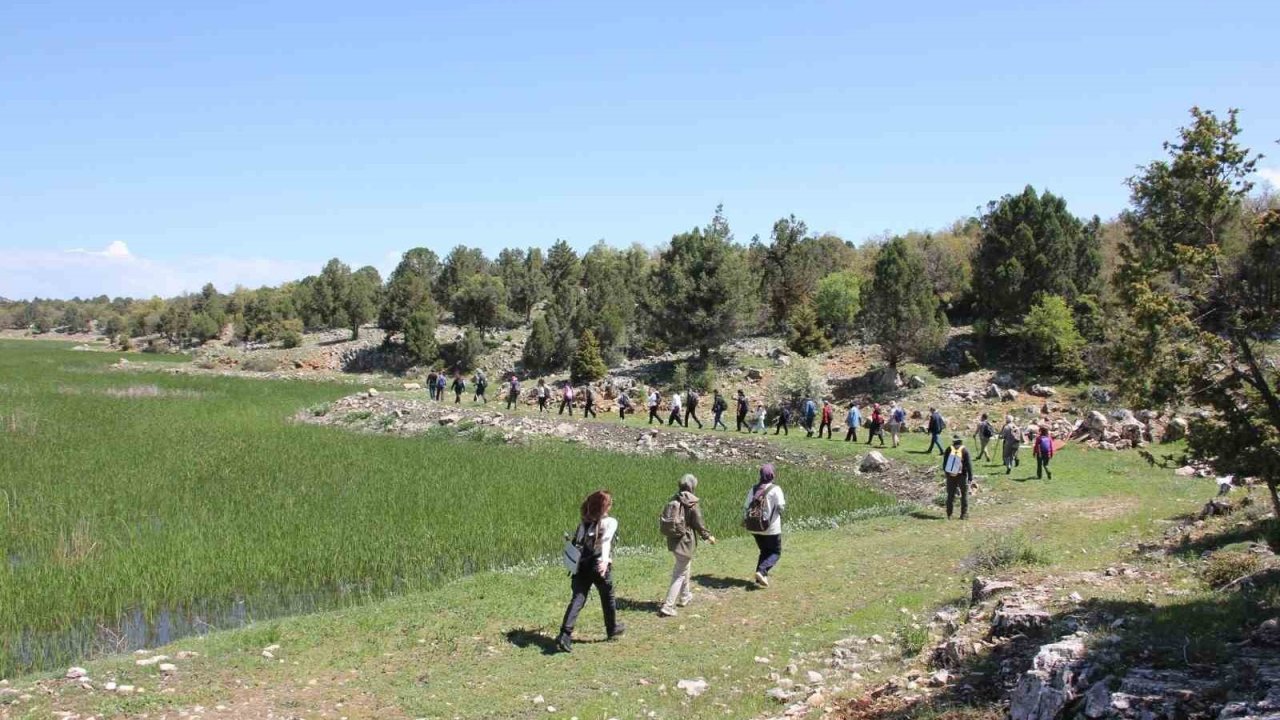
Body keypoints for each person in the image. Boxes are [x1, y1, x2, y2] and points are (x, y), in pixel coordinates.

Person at [556, 490, 624, 652]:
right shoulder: (610, 522)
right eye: (609, 503)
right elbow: (606, 541)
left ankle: (565, 634)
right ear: (604, 507)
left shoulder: (583, 524)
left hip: (581, 566)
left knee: (578, 598)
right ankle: (612, 628)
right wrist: (605, 561)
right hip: (597, 564)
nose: (611, 504)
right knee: (607, 596)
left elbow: (578, 543)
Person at [658, 474, 716, 617]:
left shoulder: (674, 498)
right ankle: (668, 605)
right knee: (679, 573)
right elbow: (698, 523)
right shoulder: (692, 502)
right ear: (692, 486)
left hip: (673, 540)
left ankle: (685, 596)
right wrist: (708, 536)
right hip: (685, 541)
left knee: (685, 566)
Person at [743, 464, 786, 587]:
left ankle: (760, 576)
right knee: (775, 552)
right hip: (771, 528)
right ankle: (762, 571)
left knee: (764, 551)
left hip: (755, 527)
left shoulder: (754, 489)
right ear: (772, 475)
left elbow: (746, 506)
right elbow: (781, 506)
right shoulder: (776, 489)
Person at [942, 434, 973, 520]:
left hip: (950, 476)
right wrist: (970, 476)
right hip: (962, 475)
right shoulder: (965, 450)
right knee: (964, 495)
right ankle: (963, 514)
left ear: (953, 441)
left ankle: (949, 515)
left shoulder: (949, 449)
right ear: (961, 441)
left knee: (950, 495)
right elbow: (969, 464)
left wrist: (947, 474)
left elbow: (944, 464)